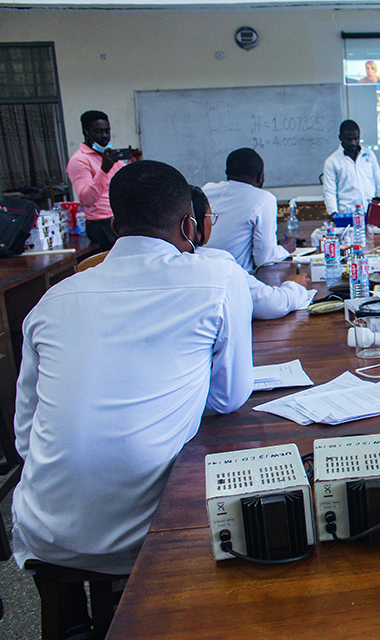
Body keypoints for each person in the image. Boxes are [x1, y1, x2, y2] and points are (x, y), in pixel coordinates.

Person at [11, 160, 254, 635]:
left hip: (46, 528)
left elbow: (26, 438)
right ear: (191, 225)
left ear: (115, 225)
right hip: (148, 533)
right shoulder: (215, 281)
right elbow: (228, 398)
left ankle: (75, 623)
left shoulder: (54, 300)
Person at [190, 186, 316, 319]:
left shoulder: (209, 189)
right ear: (189, 225)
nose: (212, 222)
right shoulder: (217, 264)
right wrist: (294, 286)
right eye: (210, 216)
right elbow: (271, 303)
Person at [203, 148, 295, 273]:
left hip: (201, 271)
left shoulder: (206, 190)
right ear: (260, 177)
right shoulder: (264, 199)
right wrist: (285, 249)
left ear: (226, 172)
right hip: (237, 277)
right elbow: (264, 259)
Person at [65, 110, 141, 250]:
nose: (105, 136)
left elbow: (128, 183)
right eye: (98, 131)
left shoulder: (109, 156)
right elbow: (86, 200)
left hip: (121, 218)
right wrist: (103, 170)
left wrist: (135, 164)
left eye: (107, 131)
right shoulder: (80, 160)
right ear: (86, 133)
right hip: (101, 225)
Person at [323, 120, 380, 216]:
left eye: (356, 138)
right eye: (349, 139)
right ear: (340, 138)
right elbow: (329, 191)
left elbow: (379, 183)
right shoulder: (332, 161)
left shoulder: (369, 155)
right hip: (347, 214)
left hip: (370, 212)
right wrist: (333, 214)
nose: (353, 143)